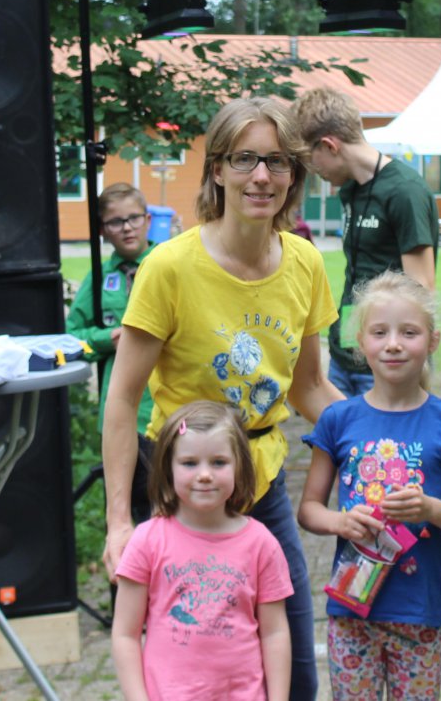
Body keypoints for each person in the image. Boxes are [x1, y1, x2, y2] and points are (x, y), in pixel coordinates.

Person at [103, 97, 341, 701]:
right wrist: (118, 522)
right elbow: (123, 401)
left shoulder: (306, 263)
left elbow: (311, 388)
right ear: (216, 170)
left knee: (289, 661)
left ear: (294, 174)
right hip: (183, 483)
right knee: (184, 658)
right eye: (245, 160)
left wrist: (383, 435)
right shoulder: (169, 267)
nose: (262, 177)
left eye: (277, 162)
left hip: (260, 482)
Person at [298, 271, 441, 700]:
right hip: (350, 609)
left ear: (433, 341)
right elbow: (309, 509)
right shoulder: (337, 419)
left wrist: (430, 509)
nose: (394, 344)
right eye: (380, 332)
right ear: (361, 343)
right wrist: (341, 521)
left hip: (419, 613)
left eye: (409, 332)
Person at [112, 400, 293, 701]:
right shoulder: (147, 541)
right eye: (190, 463)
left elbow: (275, 633)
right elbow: (125, 634)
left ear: (240, 467)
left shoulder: (261, 544)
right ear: (168, 469)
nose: (205, 474)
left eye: (219, 462)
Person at [295, 88, 439, 397]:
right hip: (343, 357)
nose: (313, 171)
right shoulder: (350, 189)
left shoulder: (404, 191)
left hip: (384, 363)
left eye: (311, 159)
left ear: (329, 145)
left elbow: (421, 286)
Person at [67, 182, 158, 435]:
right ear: (102, 231)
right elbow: (71, 337)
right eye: (115, 222)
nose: (127, 227)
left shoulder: (169, 267)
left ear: (147, 220)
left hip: (167, 407)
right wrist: (107, 338)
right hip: (120, 412)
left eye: (134, 218)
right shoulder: (99, 277)